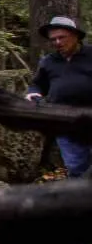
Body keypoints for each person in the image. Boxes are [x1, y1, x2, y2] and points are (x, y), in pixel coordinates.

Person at [26, 16, 92, 177]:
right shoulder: (49, 61)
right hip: (65, 122)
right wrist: (32, 93)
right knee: (76, 167)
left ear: (75, 36)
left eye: (62, 37)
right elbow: (37, 84)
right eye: (53, 39)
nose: (57, 42)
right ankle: (79, 201)